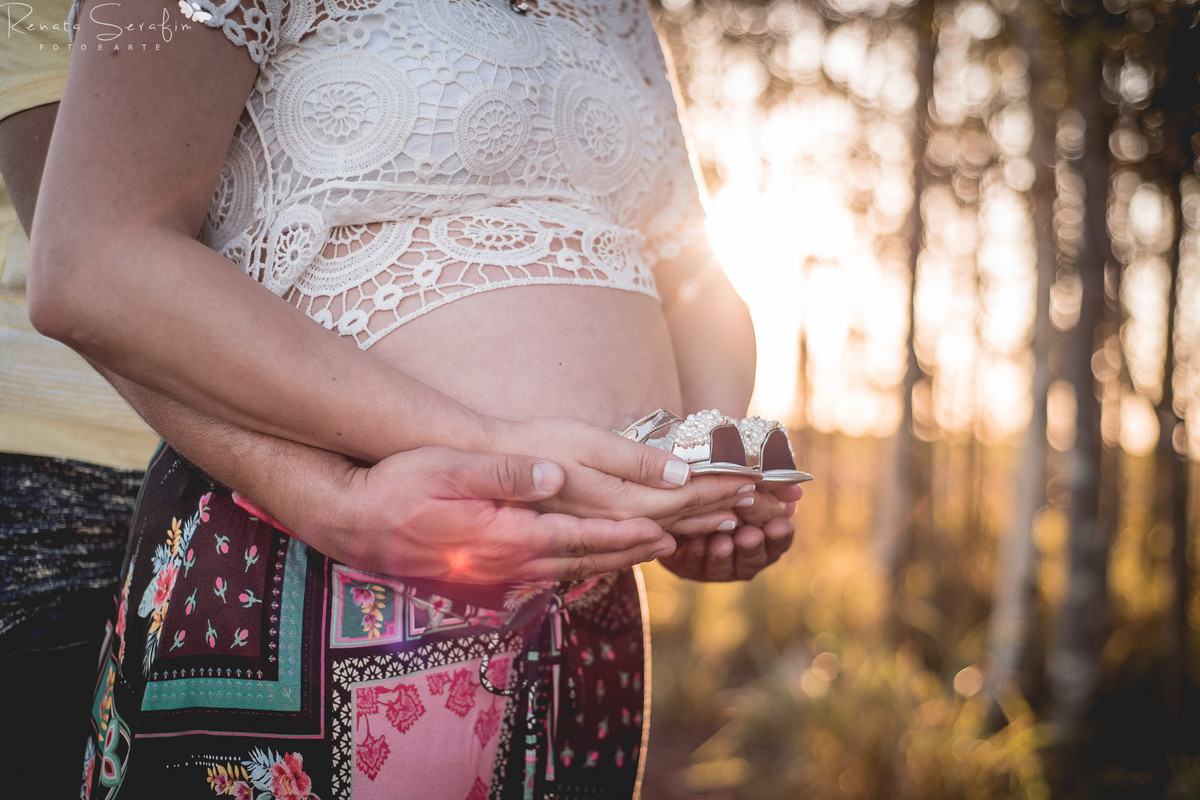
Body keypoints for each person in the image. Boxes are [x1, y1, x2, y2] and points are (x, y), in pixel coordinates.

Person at [29, 0, 801, 797]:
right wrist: (491, 450)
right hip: (315, 576)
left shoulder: (621, 12)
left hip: (592, 619)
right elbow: (94, 260)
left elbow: (697, 277)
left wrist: (703, 466)